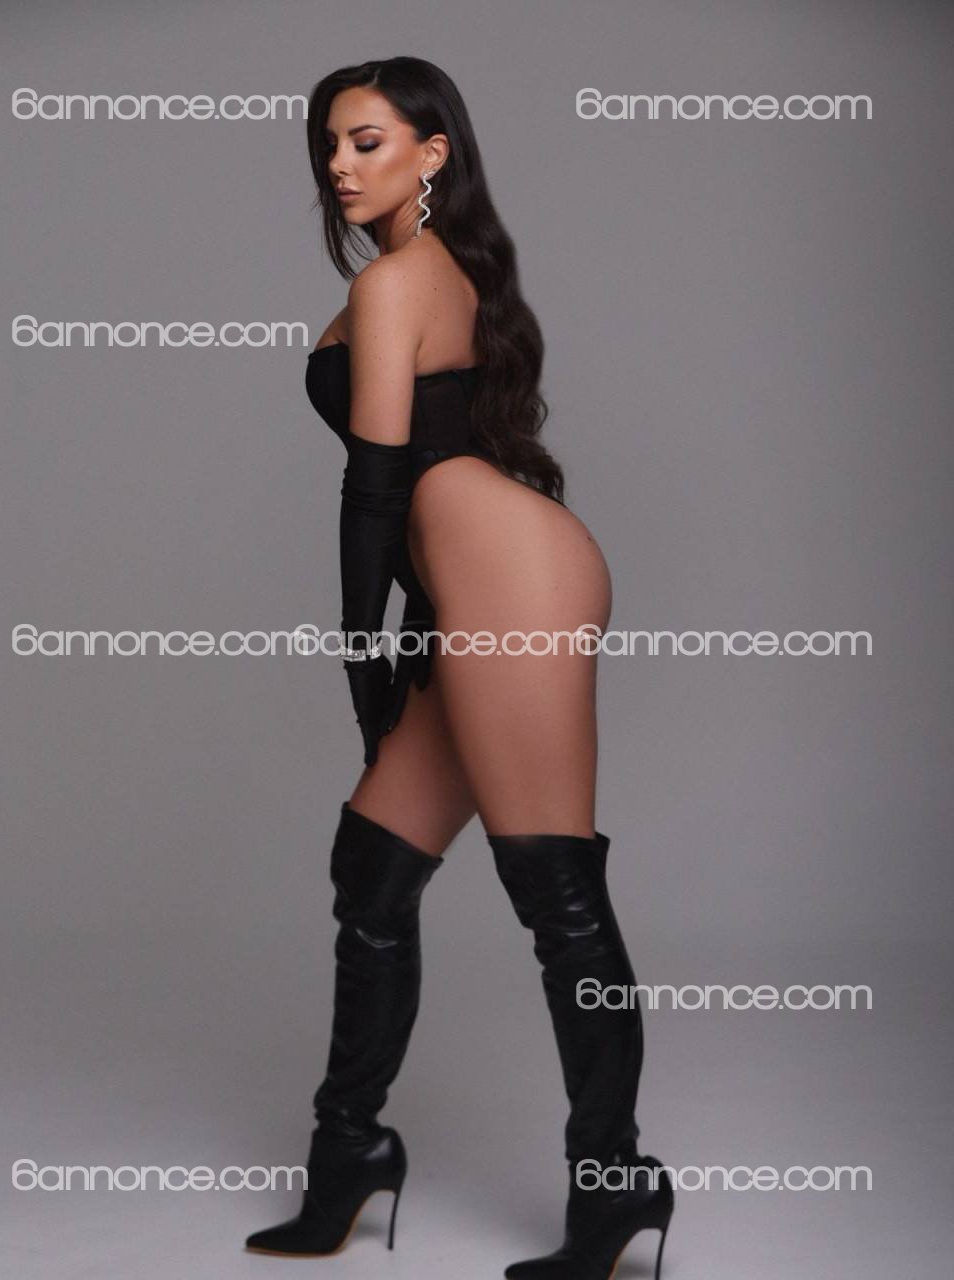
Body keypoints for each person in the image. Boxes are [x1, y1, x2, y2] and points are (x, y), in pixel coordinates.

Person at [244, 56, 674, 1280]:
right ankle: (350, 1154)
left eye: (368, 141)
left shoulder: (393, 285)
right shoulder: (442, 270)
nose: (339, 165)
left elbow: (375, 490)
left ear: (431, 153)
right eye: (330, 143)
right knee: (372, 870)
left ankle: (615, 1182)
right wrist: (400, 634)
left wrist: (360, 648)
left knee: (554, 890)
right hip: (471, 582)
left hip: (506, 580)